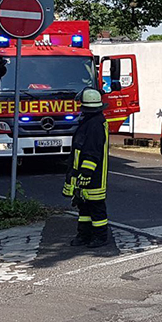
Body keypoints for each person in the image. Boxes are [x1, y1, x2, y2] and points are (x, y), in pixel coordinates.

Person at [62, 88, 117, 253]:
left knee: (96, 207)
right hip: (83, 174)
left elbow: (92, 152)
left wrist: (86, 173)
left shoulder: (94, 124)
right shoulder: (91, 121)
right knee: (83, 206)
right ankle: (84, 235)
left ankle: (100, 237)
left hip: (92, 175)